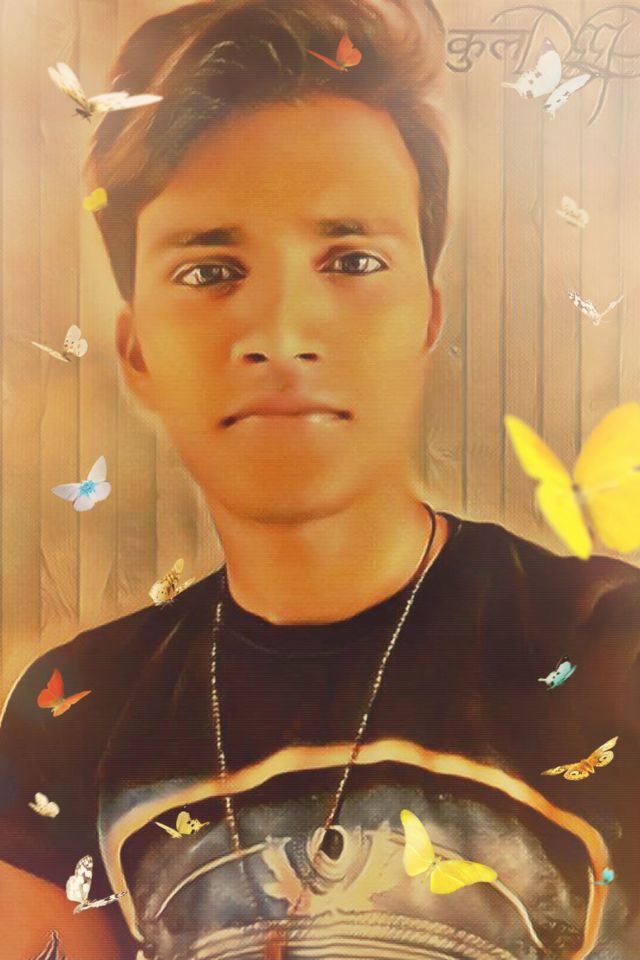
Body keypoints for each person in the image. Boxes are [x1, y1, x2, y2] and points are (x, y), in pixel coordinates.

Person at [1, 1, 639, 958]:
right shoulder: (75, 708)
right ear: (136, 350)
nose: (281, 333)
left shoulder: (612, 649)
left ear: (426, 318)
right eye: (209, 270)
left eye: (352, 259)